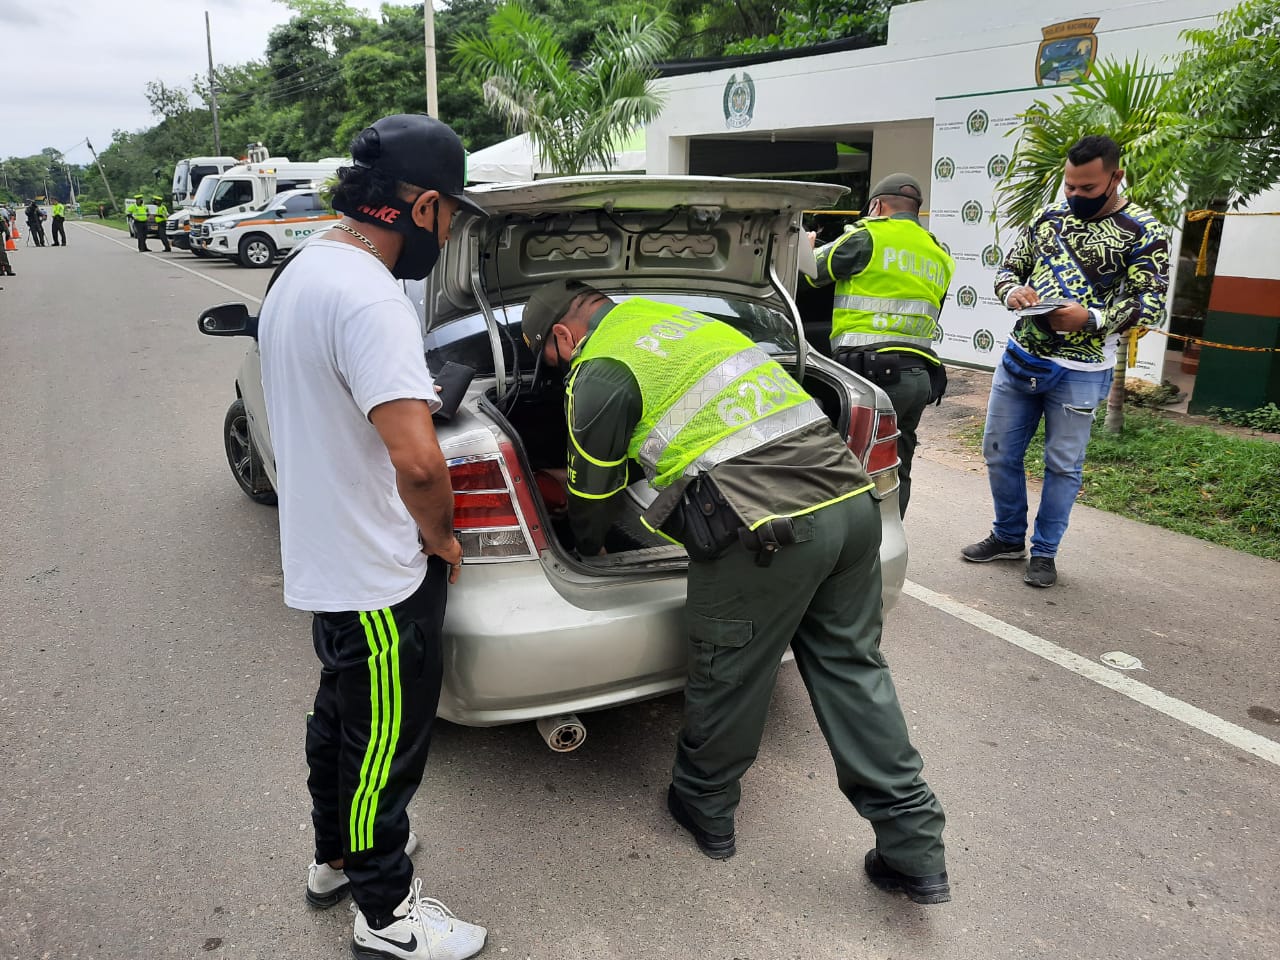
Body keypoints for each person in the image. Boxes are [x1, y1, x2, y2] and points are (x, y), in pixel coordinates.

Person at [521, 280, 950, 904]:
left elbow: (591, 497)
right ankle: (915, 849)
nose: (558, 371)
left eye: (553, 360)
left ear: (562, 336)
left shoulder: (601, 371)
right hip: (852, 503)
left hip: (768, 531)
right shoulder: (679, 321)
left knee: (730, 671)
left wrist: (590, 546)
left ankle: (703, 807)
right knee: (853, 670)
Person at [257, 113, 489, 960]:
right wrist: (444, 541)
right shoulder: (371, 296)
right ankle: (385, 912)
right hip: (380, 573)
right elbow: (419, 464)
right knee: (383, 751)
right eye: (452, 214)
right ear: (422, 206)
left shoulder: (304, 270)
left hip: (326, 553)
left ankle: (335, 859)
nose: (451, 229)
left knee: (342, 723)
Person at [961, 135, 1169, 587]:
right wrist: (1012, 292)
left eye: (1087, 189)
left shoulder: (1144, 231)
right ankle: (1008, 536)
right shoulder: (1047, 218)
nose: (1074, 196)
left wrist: (1091, 318)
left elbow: (1150, 306)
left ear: (1116, 177)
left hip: (1082, 371)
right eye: (1070, 186)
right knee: (998, 453)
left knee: (1062, 465)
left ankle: (1045, 553)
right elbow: (1007, 270)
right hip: (1022, 358)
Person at [805, 174, 954, 516]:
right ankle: (891, 540)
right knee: (896, 467)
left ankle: (853, 555)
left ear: (877, 206)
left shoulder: (867, 237)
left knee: (850, 469)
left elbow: (811, 271)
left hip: (870, 375)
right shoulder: (938, 253)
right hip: (918, 376)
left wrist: (808, 244)